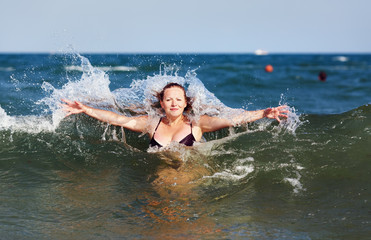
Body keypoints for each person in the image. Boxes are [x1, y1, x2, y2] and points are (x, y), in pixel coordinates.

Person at [61, 82, 289, 149]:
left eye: (178, 99)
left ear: (185, 103)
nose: (173, 103)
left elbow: (231, 120)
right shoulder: (151, 124)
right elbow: (118, 119)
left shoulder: (197, 124)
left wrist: (263, 113)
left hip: (189, 180)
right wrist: (85, 109)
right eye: (168, 99)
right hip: (159, 182)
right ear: (161, 102)